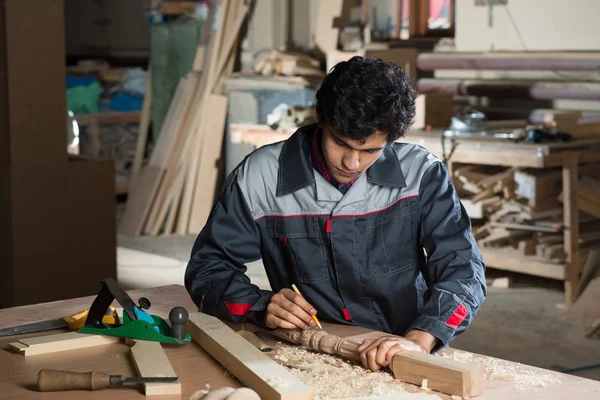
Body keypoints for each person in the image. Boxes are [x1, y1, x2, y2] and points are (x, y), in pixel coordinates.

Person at [185, 56, 487, 372]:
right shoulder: (258, 176)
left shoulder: (422, 174)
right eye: (340, 143)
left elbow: (464, 268)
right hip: (308, 351)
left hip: (404, 348)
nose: (351, 163)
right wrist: (260, 306)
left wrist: (421, 338)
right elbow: (207, 269)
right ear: (320, 118)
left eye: (371, 150)